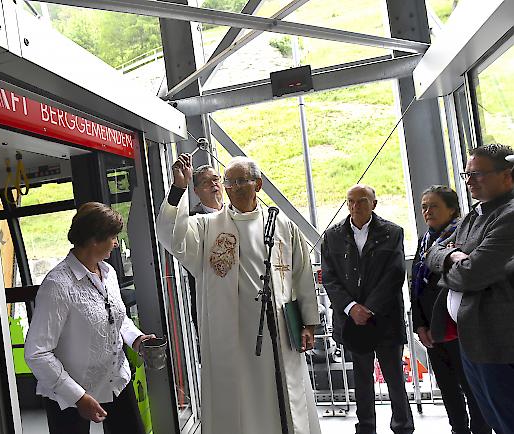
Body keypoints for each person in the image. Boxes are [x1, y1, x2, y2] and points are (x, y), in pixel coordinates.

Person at [156, 154, 321, 434]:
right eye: (229, 182)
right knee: (240, 402)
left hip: (278, 330)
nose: (232, 187)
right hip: (233, 337)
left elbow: (302, 274)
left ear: (258, 184)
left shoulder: (281, 226)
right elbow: (170, 235)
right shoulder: (208, 227)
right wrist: (178, 189)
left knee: (285, 399)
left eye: (239, 181)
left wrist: (309, 323)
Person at [25, 202, 154, 434]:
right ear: (94, 239)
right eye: (113, 237)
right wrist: (77, 396)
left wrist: (136, 339)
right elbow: (36, 353)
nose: (116, 243)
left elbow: (116, 316)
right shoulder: (57, 285)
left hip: (115, 379)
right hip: (68, 392)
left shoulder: (108, 272)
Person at [426, 144, 514, 434]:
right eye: (467, 173)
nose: (468, 180)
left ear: (508, 176)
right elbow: (434, 253)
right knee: (492, 418)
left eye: (478, 174)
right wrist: (453, 256)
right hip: (471, 337)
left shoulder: (509, 216)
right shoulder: (474, 215)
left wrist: (452, 263)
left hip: (498, 341)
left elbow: (474, 274)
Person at [321, 184, 413, 434]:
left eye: (361, 201)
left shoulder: (392, 232)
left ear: (374, 203)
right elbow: (329, 277)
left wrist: (369, 308)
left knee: (395, 377)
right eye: (350, 201)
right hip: (351, 321)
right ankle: (366, 427)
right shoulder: (332, 235)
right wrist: (351, 308)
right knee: (361, 379)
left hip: (385, 318)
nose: (355, 206)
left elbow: (395, 274)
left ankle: (403, 426)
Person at [411, 186, 491, 434]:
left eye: (433, 206)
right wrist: (420, 324)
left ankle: (480, 429)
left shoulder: (465, 237)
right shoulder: (426, 241)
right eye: (424, 207)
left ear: (452, 208)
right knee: (446, 385)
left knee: (471, 386)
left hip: (460, 327)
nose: (427, 212)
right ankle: (458, 428)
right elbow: (415, 286)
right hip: (433, 329)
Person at [187, 164, 224, 334]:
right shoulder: (191, 221)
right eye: (206, 182)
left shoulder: (237, 212)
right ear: (196, 191)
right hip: (210, 299)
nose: (213, 184)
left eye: (216, 179)